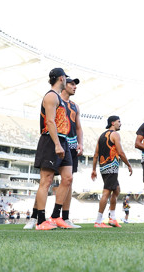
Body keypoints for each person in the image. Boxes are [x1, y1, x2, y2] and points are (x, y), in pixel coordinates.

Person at [28, 68, 74, 230]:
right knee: (46, 180)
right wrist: (56, 144)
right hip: (51, 140)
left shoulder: (59, 98)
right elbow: (50, 122)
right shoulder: (50, 96)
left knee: (68, 178)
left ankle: (56, 216)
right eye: (66, 79)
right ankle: (40, 221)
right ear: (61, 78)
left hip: (63, 139)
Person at [91, 116, 133, 228]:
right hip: (111, 166)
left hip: (103, 167)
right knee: (107, 192)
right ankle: (98, 221)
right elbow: (120, 152)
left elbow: (96, 154)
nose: (120, 124)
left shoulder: (101, 136)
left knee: (117, 190)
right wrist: (128, 165)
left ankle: (112, 218)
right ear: (113, 123)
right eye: (119, 122)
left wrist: (94, 169)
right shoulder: (115, 134)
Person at [60, 77, 83, 228]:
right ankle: (35, 217)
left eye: (76, 84)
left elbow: (79, 127)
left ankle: (65, 218)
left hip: (72, 146)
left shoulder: (75, 106)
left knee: (69, 180)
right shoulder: (55, 100)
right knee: (46, 179)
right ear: (63, 84)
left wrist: (80, 143)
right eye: (72, 84)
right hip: (58, 143)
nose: (75, 87)